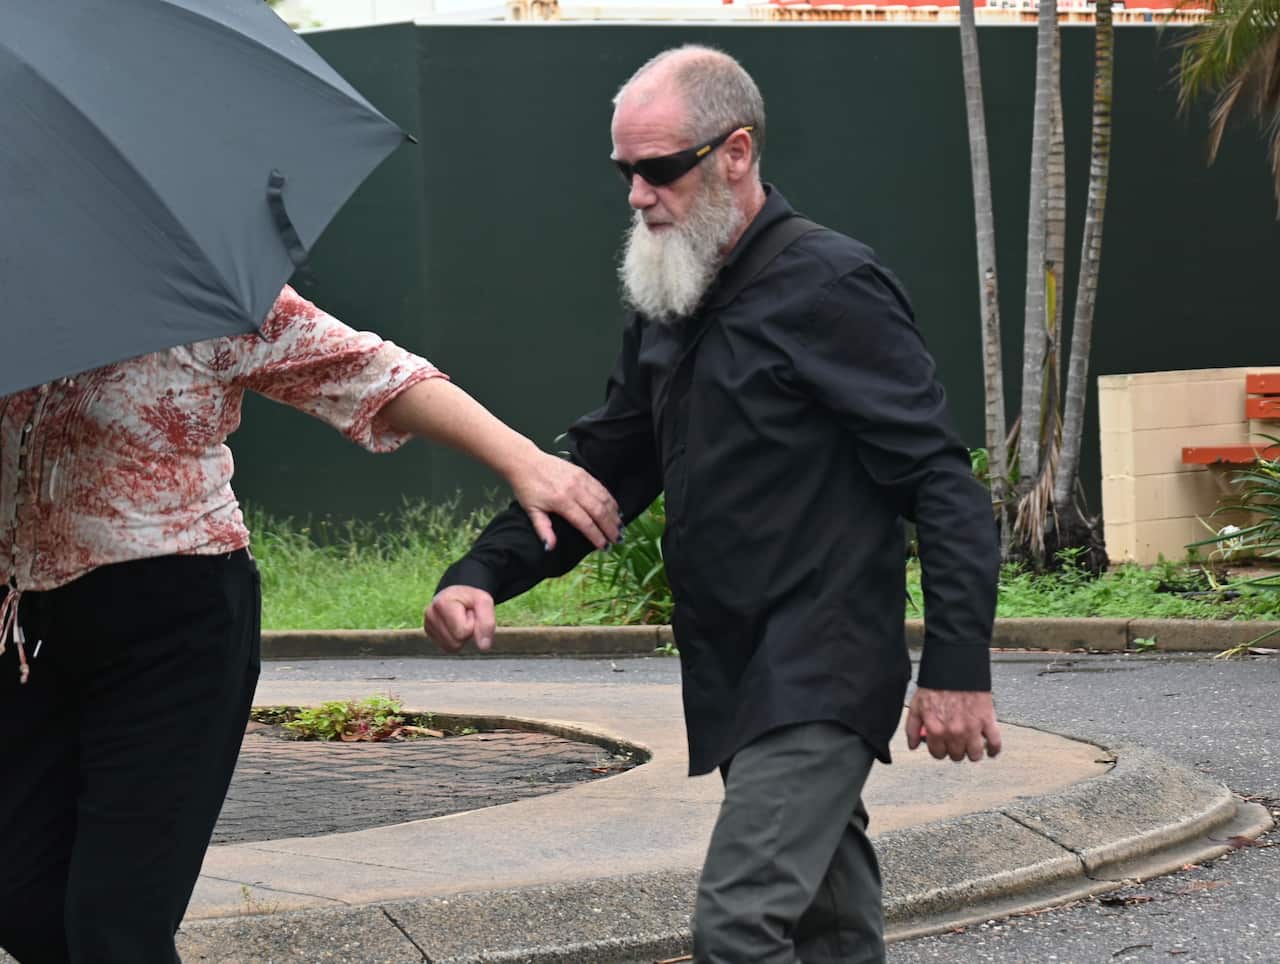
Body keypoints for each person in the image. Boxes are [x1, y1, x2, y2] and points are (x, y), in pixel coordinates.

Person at [424, 45, 1003, 963]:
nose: (637, 196)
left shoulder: (832, 285)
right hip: (738, 668)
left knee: (737, 930)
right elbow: (608, 464)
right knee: (830, 930)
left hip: (820, 664)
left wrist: (957, 666)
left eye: (658, 171)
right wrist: (483, 572)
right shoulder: (672, 293)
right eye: (625, 172)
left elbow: (942, 482)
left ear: (735, 153)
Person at [0, 284, 621, 963]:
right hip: (25, 624)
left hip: (173, 622)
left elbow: (369, 370)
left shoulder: (197, 286)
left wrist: (523, 460)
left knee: (116, 923)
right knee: (22, 900)